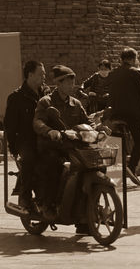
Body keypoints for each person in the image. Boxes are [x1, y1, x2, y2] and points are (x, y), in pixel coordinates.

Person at [33, 65, 88, 220]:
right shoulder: (46, 102)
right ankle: (48, 204)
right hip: (52, 147)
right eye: (68, 83)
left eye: (73, 82)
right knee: (54, 165)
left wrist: (100, 127)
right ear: (59, 84)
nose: (72, 86)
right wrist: (50, 131)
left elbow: (86, 121)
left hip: (72, 147)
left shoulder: (76, 104)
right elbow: (37, 122)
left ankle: (84, 213)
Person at [4, 59, 46, 215]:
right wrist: (14, 148)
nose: (44, 77)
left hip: (44, 139)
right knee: (29, 159)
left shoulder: (46, 94)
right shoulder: (16, 98)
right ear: (30, 75)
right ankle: (25, 198)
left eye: (45, 74)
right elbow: (10, 125)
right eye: (41, 74)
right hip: (26, 141)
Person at [105, 47, 140, 176]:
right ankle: (131, 167)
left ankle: (113, 169)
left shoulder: (113, 73)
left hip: (115, 113)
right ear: (133, 59)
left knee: (115, 140)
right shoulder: (135, 73)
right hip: (132, 113)